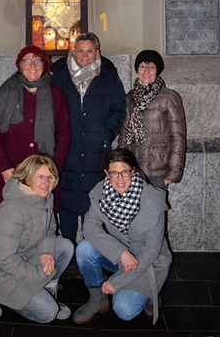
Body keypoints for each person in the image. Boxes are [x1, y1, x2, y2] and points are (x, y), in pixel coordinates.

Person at [72, 148, 172, 325]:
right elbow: (89, 227)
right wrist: (120, 252)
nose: (119, 179)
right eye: (114, 173)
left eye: (124, 172)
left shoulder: (153, 199)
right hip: (119, 257)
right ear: (106, 173)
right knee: (84, 249)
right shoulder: (101, 192)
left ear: (133, 171)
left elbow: (151, 251)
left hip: (147, 263)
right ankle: (98, 299)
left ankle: (151, 293)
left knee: (124, 310)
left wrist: (117, 281)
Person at [0, 153, 74, 323]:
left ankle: (42, 290)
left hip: (28, 253)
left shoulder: (46, 197)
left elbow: (51, 228)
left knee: (65, 246)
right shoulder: (12, 210)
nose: (46, 183)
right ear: (28, 177)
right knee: (49, 313)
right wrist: (37, 275)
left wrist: (45, 251)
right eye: (40, 177)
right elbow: (6, 259)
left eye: (51, 177)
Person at [51, 32, 127, 243]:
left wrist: (106, 135)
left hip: (96, 149)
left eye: (89, 51)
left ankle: (89, 250)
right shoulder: (58, 74)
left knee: (92, 201)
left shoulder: (108, 76)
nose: (84, 56)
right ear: (73, 52)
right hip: (67, 147)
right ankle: (67, 248)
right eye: (80, 51)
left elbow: (119, 109)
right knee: (66, 200)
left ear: (97, 52)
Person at [0, 45, 71, 215]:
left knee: (42, 220)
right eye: (27, 60)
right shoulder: (5, 92)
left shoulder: (56, 95)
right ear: (20, 65)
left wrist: (53, 169)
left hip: (44, 173)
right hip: (13, 170)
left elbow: (64, 134)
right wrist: (5, 168)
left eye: (37, 60)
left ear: (45, 64)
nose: (32, 65)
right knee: (12, 219)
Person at [118, 49, 186, 190]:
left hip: (157, 169)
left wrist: (173, 172)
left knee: (156, 210)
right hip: (133, 167)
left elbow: (177, 137)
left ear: (157, 70)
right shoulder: (131, 97)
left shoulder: (169, 97)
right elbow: (125, 133)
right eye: (142, 66)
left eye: (151, 67)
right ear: (137, 69)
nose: (146, 71)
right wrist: (120, 163)